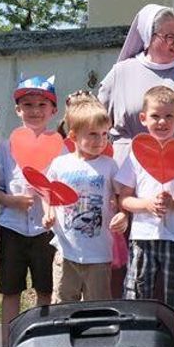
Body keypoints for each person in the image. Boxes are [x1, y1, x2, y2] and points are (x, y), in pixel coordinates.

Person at [99, 5, 174, 297]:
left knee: (167, 251)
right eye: (169, 37)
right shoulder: (122, 72)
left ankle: (165, 326)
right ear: (148, 35)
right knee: (123, 257)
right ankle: (121, 321)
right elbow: (97, 114)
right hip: (125, 169)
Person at [116, 86, 174, 347]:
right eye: (156, 116)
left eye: (169, 116)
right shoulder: (136, 154)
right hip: (143, 237)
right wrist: (147, 205)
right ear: (143, 118)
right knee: (137, 293)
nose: (162, 122)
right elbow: (125, 199)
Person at [0, 76, 60, 347]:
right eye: (27, 105)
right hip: (13, 229)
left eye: (42, 105)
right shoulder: (5, 147)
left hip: (46, 230)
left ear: (53, 110)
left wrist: (51, 205)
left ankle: (43, 340)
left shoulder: (61, 146)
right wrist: (10, 201)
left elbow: (64, 188)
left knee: (46, 289)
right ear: (17, 110)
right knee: (11, 290)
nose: (34, 111)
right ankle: (8, 344)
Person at [43, 93, 125, 302]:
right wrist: (49, 212)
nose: (101, 140)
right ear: (73, 136)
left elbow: (121, 196)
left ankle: (96, 336)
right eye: (93, 134)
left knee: (96, 305)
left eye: (105, 134)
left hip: (99, 253)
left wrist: (122, 214)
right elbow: (48, 191)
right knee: (62, 302)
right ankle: (63, 335)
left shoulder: (109, 165)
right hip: (66, 250)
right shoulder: (60, 164)